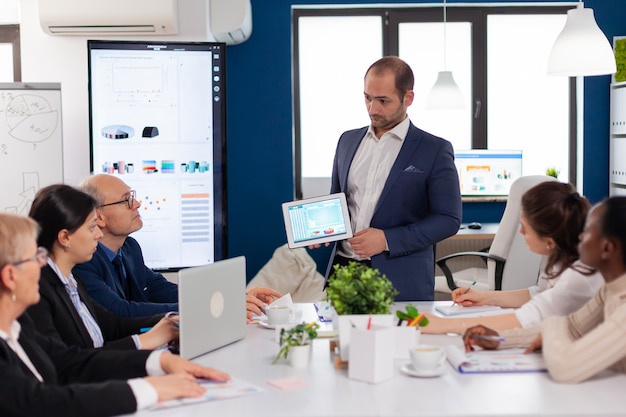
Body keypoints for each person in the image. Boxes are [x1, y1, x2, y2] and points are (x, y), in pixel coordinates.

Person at [0, 212, 230, 416]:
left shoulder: (19, 327)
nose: (43, 265)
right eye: (35, 258)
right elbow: (41, 402)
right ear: (10, 276)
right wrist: (150, 389)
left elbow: (70, 363)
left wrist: (159, 360)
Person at [323, 56, 462, 301]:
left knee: (400, 341)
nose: (372, 109)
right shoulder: (346, 141)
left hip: (400, 277)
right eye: (367, 98)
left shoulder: (434, 149)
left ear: (408, 99)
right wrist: (324, 230)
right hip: (343, 273)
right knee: (341, 340)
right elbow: (338, 201)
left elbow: (448, 219)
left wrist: (387, 239)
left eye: (383, 101)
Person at [463, 196, 626, 383]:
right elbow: (572, 327)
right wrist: (500, 339)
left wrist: (551, 325)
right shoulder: (609, 290)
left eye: (588, 231)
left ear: (607, 248)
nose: (580, 236)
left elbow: (566, 367)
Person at [73, 173, 281, 319]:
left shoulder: (129, 248)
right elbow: (119, 311)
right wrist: (207, 308)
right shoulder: (83, 260)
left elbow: (159, 288)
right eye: (126, 200)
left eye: (133, 196)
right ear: (98, 217)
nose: (137, 204)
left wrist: (231, 297)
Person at [422, 181, 604, 334]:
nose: (521, 231)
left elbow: (525, 318)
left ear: (549, 241)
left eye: (525, 227)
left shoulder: (579, 276)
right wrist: (484, 297)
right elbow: (538, 293)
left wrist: (444, 325)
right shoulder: (563, 255)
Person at [27, 184, 178, 351]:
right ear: (65, 237)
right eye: (92, 227)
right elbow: (66, 362)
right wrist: (147, 341)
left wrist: (169, 320)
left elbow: (113, 324)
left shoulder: (71, 280)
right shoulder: (39, 289)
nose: (98, 235)